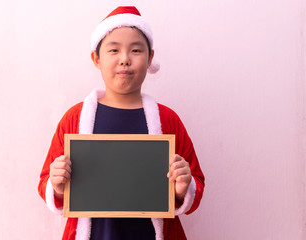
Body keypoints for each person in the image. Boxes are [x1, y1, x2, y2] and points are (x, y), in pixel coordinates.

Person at [38, 6, 205, 240]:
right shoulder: (75, 119)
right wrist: (56, 184)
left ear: (150, 58)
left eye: (136, 50)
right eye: (113, 50)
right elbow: (47, 181)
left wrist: (182, 188)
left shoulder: (168, 120)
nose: (125, 60)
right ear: (96, 58)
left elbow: (196, 182)